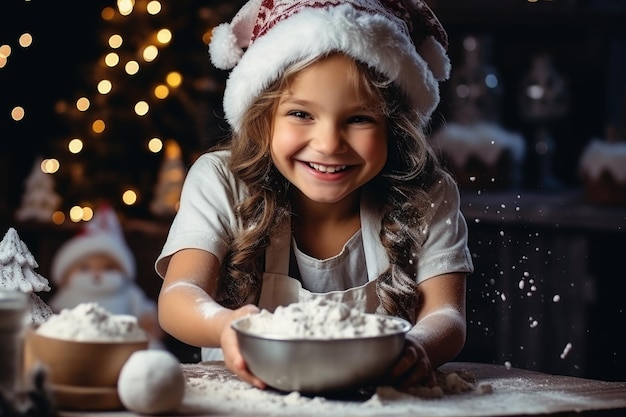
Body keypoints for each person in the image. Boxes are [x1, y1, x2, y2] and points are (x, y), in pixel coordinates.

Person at [156, 0, 473, 391]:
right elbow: (178, 297)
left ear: (395, 125)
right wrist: (226, 325)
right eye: (301, 114)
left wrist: (417, 346)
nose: (327, 144)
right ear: (262, 115)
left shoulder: (428, 194)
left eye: (359, 118)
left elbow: (446, 314)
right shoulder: (221, 180)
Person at [51, 203, 164, 347]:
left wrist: (150, 321)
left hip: (122, 347)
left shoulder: (128, 293)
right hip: (77, 347)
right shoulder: (67, 294)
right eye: (85, 268)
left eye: (108, 268)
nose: (97, 274)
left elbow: (146, 313)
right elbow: (52, 315)